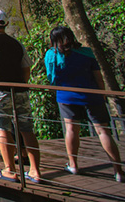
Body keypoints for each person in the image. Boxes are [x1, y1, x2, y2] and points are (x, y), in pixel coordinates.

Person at [44, 26, 123, 183]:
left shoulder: (51, 55)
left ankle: (73, 165)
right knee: (103, 132)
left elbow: (51, 78)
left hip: (66, 96)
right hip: (92, 95)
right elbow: (98, 77)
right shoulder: (86, 53)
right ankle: (118, 171)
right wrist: (102, 95)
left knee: (72, 129)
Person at [0, 9, 42, 183]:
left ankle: (9, 170)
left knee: (2, 129)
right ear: (5, 24)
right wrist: (21, 84)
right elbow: (26, 67)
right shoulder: (17, 43)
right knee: (27, 130)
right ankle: (35, 172)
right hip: (20, 91)